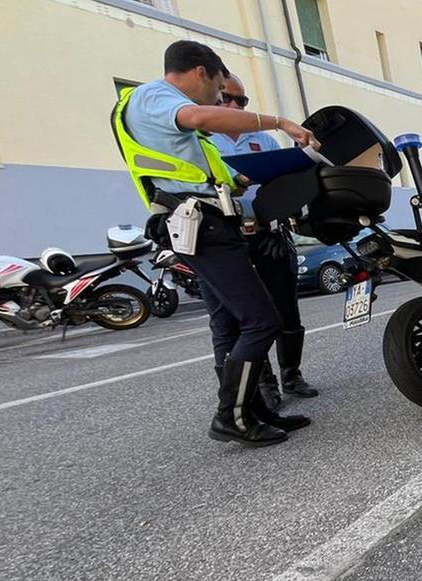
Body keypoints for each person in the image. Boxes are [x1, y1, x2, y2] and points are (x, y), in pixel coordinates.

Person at [111, 40, 317, 447]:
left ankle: (255, 410)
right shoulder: (155, 95)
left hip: (211, 222)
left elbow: (229, 178)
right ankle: (232, 416)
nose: (220, 98)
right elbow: (199, 114)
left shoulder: (180, 127)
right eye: (220, 88)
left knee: (238, 321)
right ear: (201, 72)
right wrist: (280, 121)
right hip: (199, 224)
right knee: (261, 320)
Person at [209, 74, 318, 411]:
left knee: (286, 308)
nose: (234, 106)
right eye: (226, 98)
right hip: (226, 237)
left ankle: (291, 373)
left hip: (268, 232)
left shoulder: (264, 141)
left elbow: (282, 184)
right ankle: (263, 384)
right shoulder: (204, 139)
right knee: (249, 316)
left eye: (241, 101)